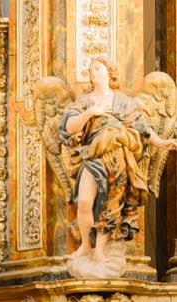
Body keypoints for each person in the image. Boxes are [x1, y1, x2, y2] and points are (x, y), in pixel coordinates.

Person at [61, 58, 177, 266]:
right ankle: (86, 245)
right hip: (93, 155)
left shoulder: (123, 102)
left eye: (98, 68)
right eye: (90, 70)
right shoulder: (85, 101)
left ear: (109, 72)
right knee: (84, 201)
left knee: (112, 205)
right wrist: (90, 113)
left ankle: (100, 251)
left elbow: (143, 127)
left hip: (118, 158)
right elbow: (69, 127)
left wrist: (161, 142)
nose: (93, 72)